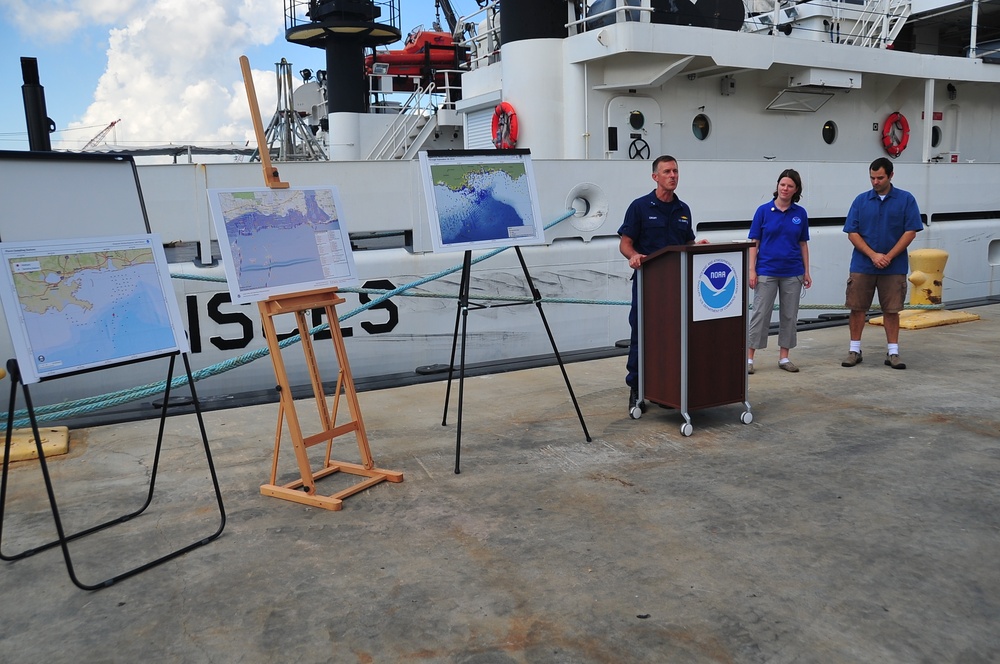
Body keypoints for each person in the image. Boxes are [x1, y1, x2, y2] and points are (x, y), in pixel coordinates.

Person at [618, 155, 696, 412]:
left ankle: (665, 388)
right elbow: (625, 243)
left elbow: (688, 244)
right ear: (655, 177)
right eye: (667, 172)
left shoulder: (683, 210)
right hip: (648, 284)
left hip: (677, 286)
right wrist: (634, 256)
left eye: (675, 171)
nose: (673, 175)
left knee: (673, 336)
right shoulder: (640, 207)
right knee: (642, 335)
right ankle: (637, 388)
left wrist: (699, 249)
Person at [841, 156, 923, 369]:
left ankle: (893, 353)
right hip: (862, 265)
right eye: (872, 178)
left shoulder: (906, 200)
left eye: (879, 178)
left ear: (891, 175)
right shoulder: (861, 200)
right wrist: (873, 255)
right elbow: (852, 232)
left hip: (893, 267)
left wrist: (888, 256)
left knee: (892, 309)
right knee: (857, 308)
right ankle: (854, 350)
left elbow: (910, 231)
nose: (875, 182)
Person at [746, 169, 812, 374]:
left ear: (796, 190)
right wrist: (751, 270)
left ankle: (784, 357)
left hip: (793, 271)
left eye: (790, 186)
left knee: (789, 315)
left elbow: (803, 244)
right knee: (760, 313)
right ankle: (749, 358)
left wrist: (807, 271)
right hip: (767, 269)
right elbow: (754, 243)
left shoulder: (800, 214)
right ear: (777, 186)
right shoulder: (763, 211)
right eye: (782, 184)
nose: (785, 189)